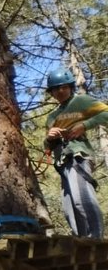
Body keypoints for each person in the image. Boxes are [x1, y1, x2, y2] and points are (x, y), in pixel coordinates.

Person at [44, 69, 108, 238]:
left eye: (64, 87)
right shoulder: (52, 117)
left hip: (78, 156)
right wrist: (49, 138)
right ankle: (81, 241)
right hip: (62, 162)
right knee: (69, 208)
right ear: (51, 92)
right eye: (55, 89)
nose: (60, 91)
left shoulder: (81, 101)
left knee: (82, 199)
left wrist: (85, 125)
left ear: (71, 87)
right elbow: (47, 147)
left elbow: (106, 113)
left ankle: (95, 238)